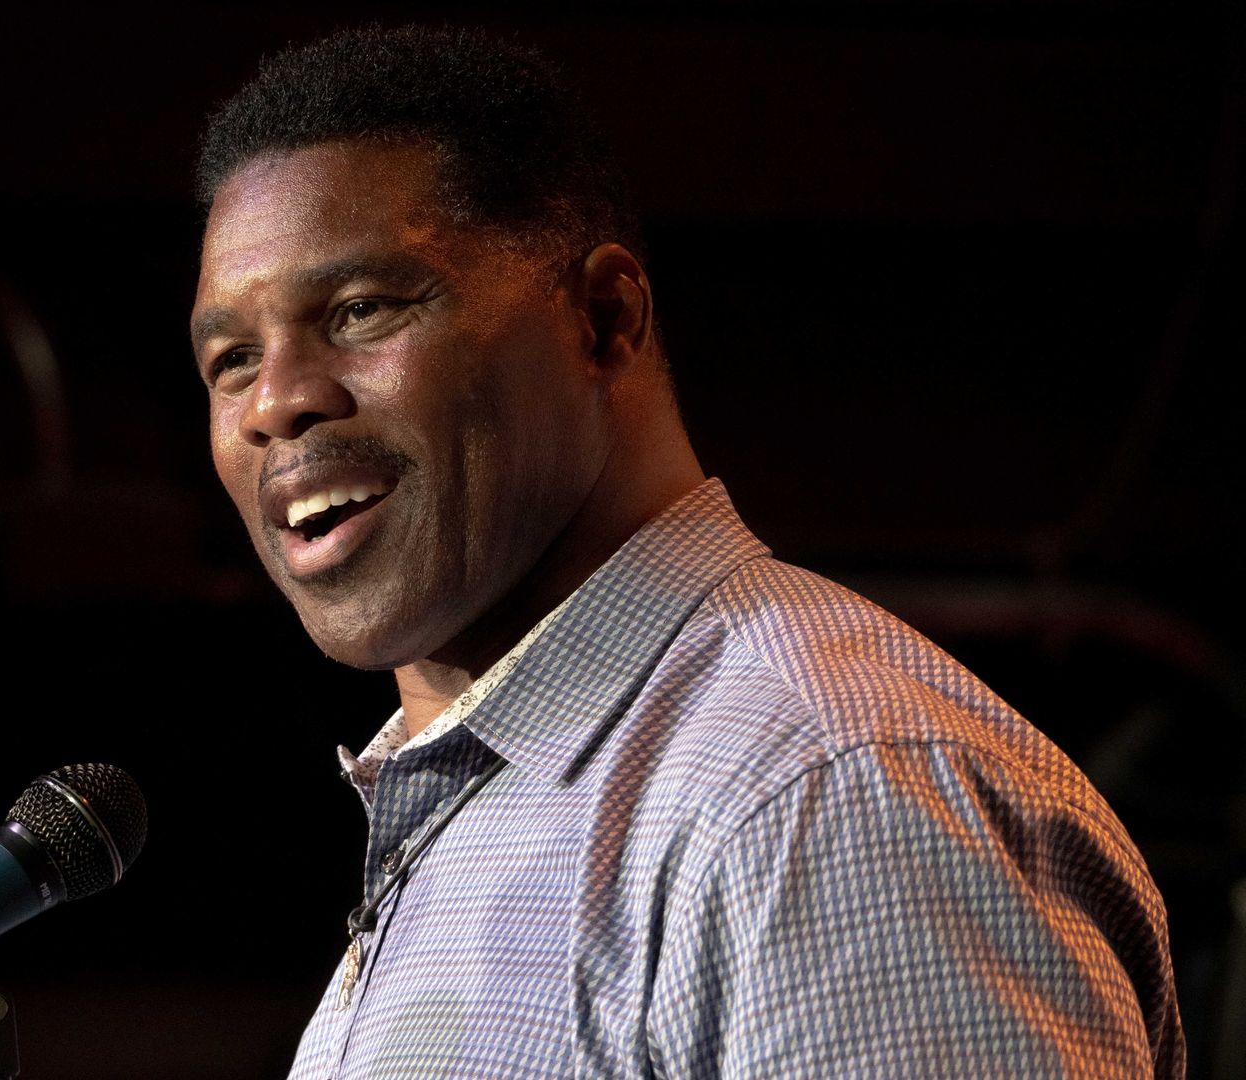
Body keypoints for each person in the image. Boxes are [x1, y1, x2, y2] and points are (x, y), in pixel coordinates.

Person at [188, 24, 1184, 1080]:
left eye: (360, 311)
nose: (274, 402)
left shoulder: (820, 797)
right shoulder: (490, 809)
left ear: (603, 318)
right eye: (232, 358)